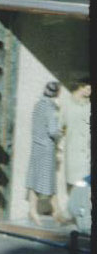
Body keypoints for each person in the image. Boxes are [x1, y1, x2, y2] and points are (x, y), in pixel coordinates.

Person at [27, 81, 63, 224]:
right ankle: (56, 212)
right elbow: (53, 131)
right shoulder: (51, 107)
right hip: (47, 148)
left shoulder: (38, 104)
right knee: (48, 182)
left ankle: (38, 211)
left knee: (34, 180)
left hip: (36, 146)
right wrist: (61, 133)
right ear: (57, 93)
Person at [57, 80, 91, 225]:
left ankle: (75, 216)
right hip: (74, 152)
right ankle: (75, 216)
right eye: (88, 88)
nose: (90, 91)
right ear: (80, 87)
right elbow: (59, 127)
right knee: (80, 184)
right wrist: (57, 148)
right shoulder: (67, 105)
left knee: (83, 184)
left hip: (88, 151)